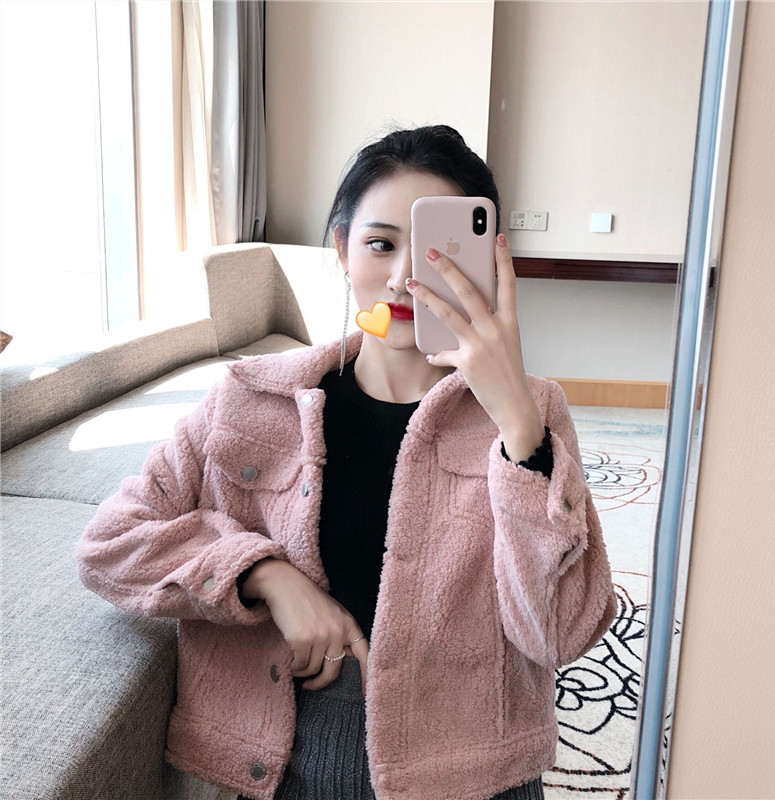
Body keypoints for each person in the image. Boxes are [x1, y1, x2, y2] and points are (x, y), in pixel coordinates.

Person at [77, 124, 617, 800]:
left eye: (439, 253)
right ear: (341, 249)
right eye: (380, 244)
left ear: (486, 262)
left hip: (473, 774)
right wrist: (264, 573)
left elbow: (559, 634)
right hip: (281, 767)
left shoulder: (533, 414)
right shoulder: (252, 400)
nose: (403, 279)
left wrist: (518, 428)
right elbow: (109, 544)